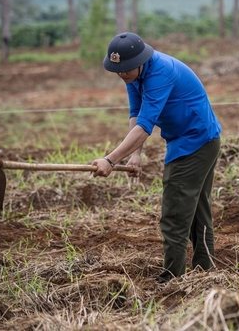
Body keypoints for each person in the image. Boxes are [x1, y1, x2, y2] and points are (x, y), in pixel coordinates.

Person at [91, 32, 222, 283]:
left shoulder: (160, 73)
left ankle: (172, 280)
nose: (122, 74)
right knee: (196, 210)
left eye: (126, 69)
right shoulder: (134, 74)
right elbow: (137, 113)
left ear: (140, 61)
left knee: (174, 213)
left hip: (195, 142)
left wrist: (110, 160)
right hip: (194, 138)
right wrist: (134, 156)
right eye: (117, 69)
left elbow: (145, 125)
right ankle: (205, 272)